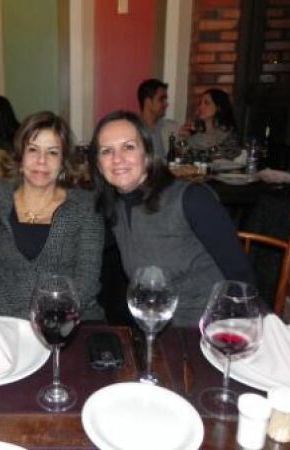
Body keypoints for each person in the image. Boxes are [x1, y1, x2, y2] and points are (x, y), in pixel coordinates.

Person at [89, 110, 254, 326]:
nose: (117, 159)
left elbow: (241, 276)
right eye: (106, 151)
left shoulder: (191, 199)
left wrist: (238, 330)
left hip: (205, 327)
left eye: (128, 147)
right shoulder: (114, 206)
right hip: (152, 324)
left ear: (147, 154)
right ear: (99, 165)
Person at [0, 111, 104, 320]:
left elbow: (86, 284)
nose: (41, 160)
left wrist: (47, 320)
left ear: (63, 162)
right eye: (33, 149)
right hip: (2, 322)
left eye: (52, 152)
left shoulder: (84, 207)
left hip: (67, 322)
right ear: (20, 157)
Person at [180, 88, 240, 160]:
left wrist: (194, 153)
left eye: (206, 103)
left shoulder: (227, 133)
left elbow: (229, 153)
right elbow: (179, 153)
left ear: (218, 107)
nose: (201, 107)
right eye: (200, 103)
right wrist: (182, 137)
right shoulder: (193, 130)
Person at [137, 79, 179, 160]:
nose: (166, 104)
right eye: (161, 99)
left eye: (165, 99)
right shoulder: (132, 129)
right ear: (148, 102)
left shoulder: (172, 128)